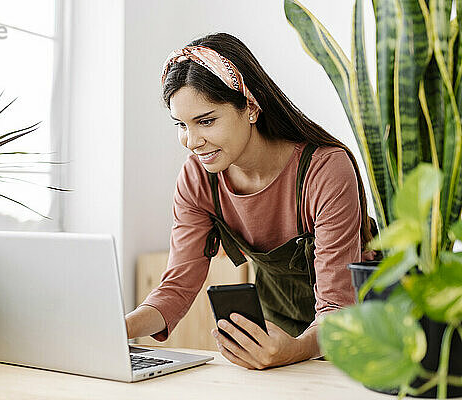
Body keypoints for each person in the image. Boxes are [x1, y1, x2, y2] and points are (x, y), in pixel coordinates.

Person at [124, 33, 377, 370]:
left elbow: (337, 307)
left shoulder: (325, 169)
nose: (191, 141)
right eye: (180, 125)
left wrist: (295, 350)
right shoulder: (198, 177)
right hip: (282, 335)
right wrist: (118, 328)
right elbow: (177, 287)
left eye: (206, 121)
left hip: (367, 333)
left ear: (251, 107)